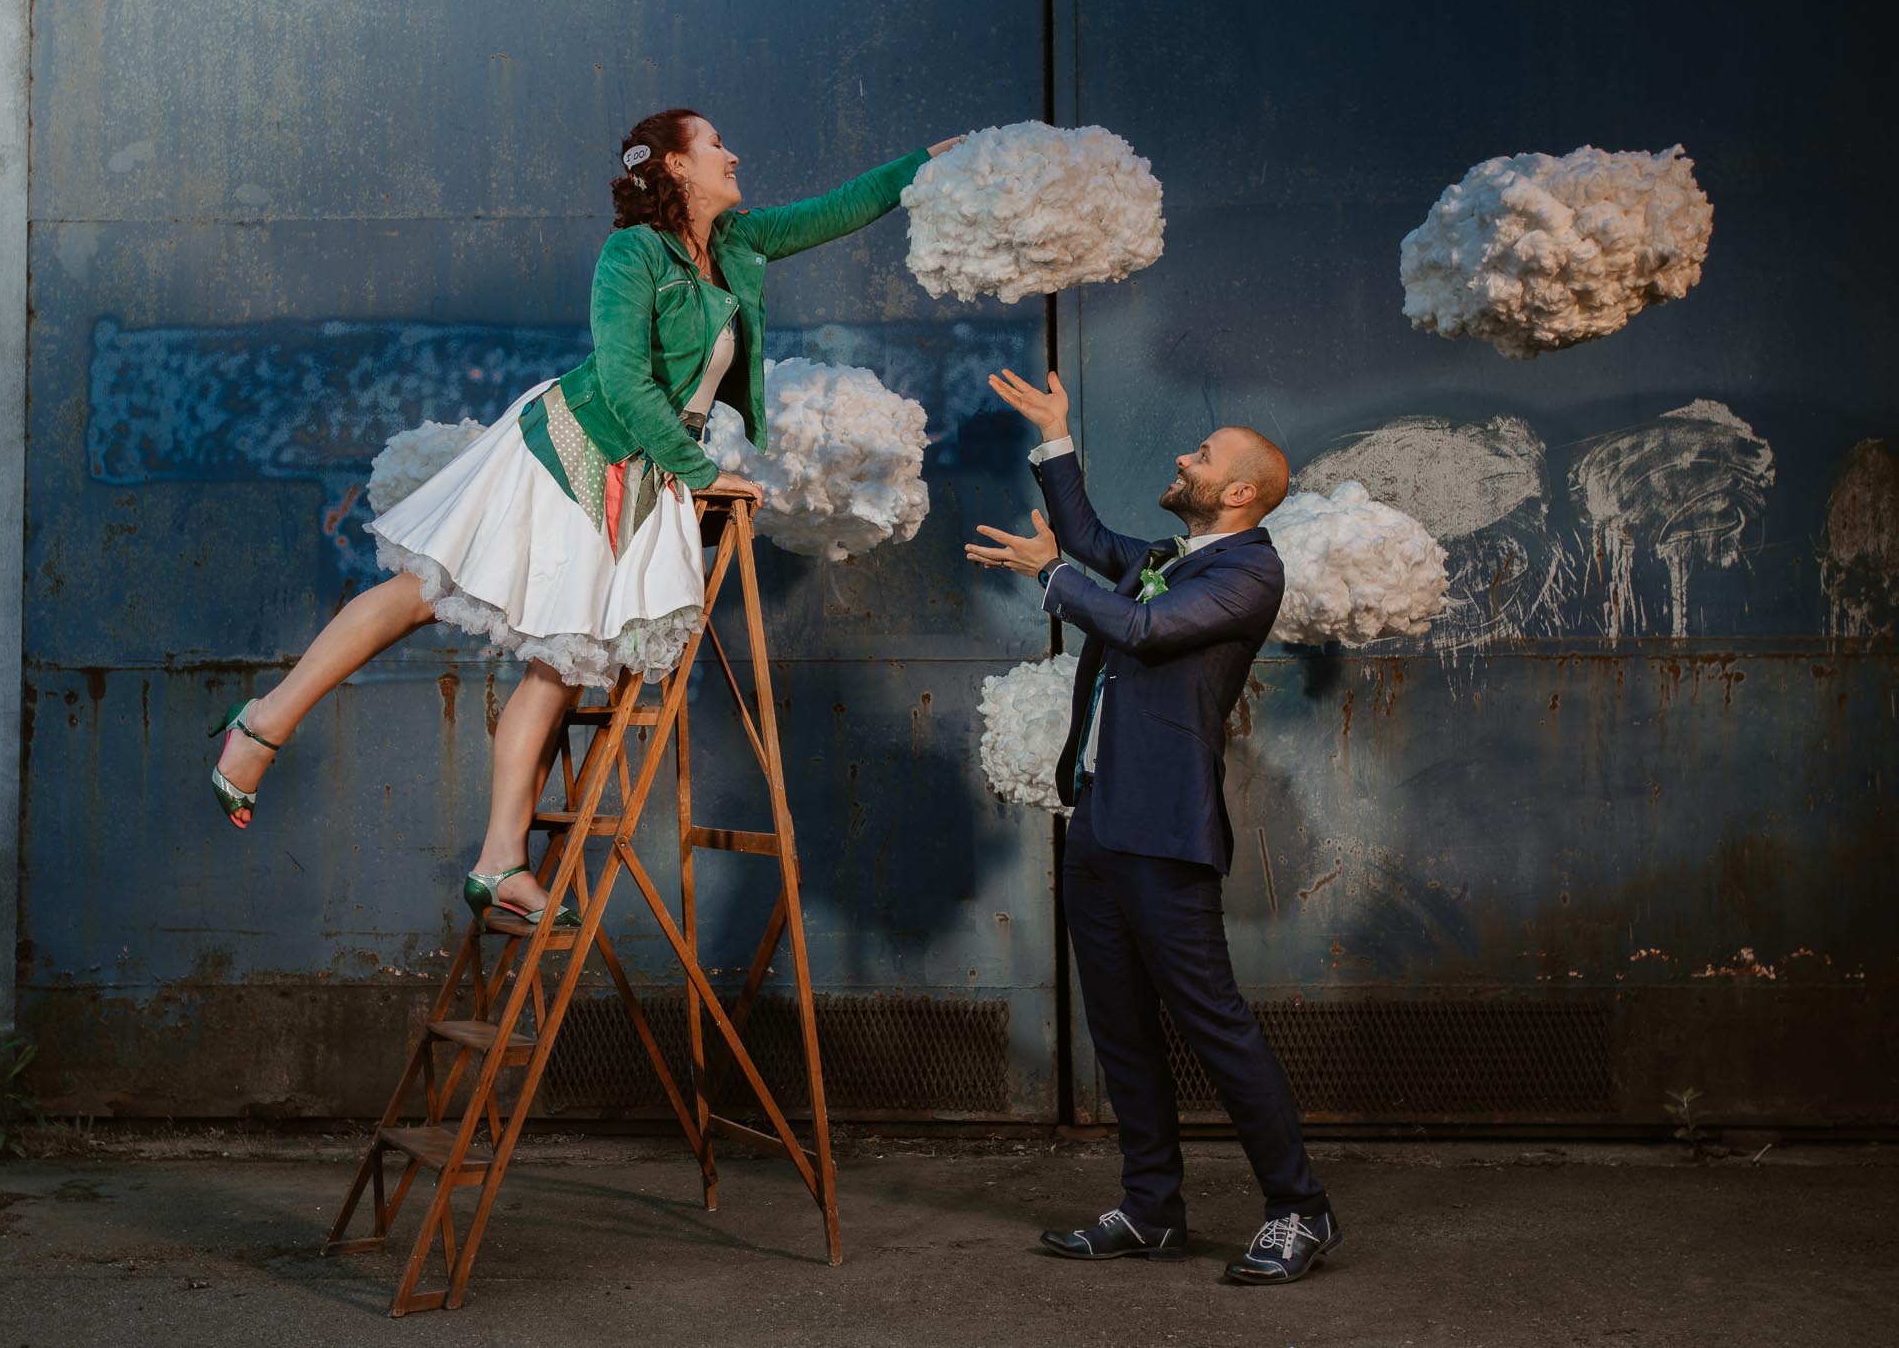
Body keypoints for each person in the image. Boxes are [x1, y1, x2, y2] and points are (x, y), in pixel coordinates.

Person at [208, 108, 962, 926]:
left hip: (636, 474)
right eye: (715, 144)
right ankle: (261, 723)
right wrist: (707, 471)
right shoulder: (631, 255)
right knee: (424, 589)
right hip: (571, 447)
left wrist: (927, 161)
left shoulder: (738, 242)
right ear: (675, 166)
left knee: (561, 660)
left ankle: (500, 863)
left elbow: (836, 209)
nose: (733, 152)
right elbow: (626, 380)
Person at [966, 369, 1340, 1284]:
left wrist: (1048, 573)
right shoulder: (1179, 554)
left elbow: (1138, 628)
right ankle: (1151, 1208)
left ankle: (1301, 1208)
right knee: (1121, 1024)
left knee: (1213, 1022)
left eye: (1203, 456)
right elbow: (1092, 542)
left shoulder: (1250, 571)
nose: (1185, 455)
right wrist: (1055, 434)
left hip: (1166, 835)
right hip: (1099, 819)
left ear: (1241, 491)